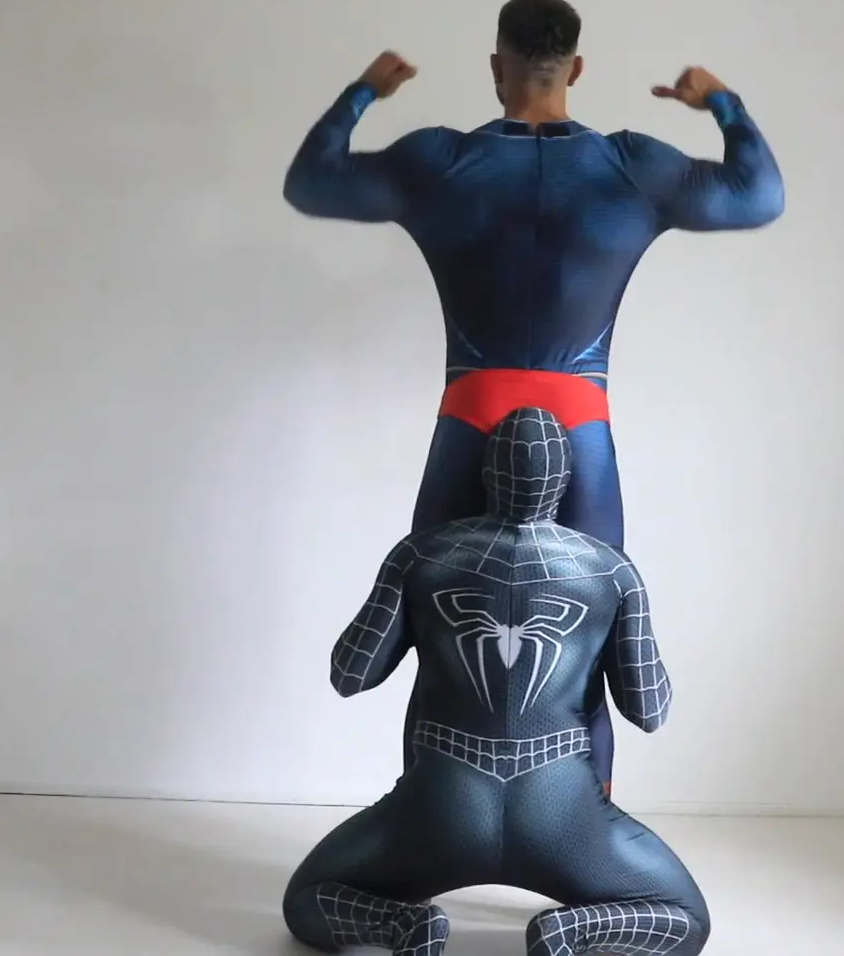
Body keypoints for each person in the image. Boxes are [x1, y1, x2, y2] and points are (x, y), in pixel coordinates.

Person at [283, 0, 783, 796]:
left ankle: (431, 820)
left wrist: (365, 91)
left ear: (497, 66)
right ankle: (585, 828)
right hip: (580, 425)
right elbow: (759, 196)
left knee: (435, 629)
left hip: (470, 414)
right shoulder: (631, 166)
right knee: (593, 638)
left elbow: (313, 183)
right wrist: (721, 102)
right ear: (575, 69)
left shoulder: (440, 162)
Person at [282, 407, 709, 956]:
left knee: (309, 898)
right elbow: (648, 711)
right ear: (566, 479)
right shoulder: (611, 570)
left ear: (485, 473)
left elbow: (350, 674)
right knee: (684, 919)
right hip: (562, 811)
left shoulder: (420, 554)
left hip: (439, 804)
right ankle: (569, 932)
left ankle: (405, 926)